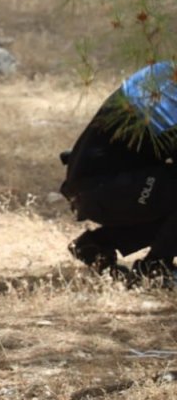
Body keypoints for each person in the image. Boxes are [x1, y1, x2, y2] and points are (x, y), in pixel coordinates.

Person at [61, 60, 177, 285]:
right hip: (103, 188)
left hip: (101, 187)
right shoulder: (168, 92)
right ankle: (156, 268)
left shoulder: (164, 72)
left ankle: (97, 245)